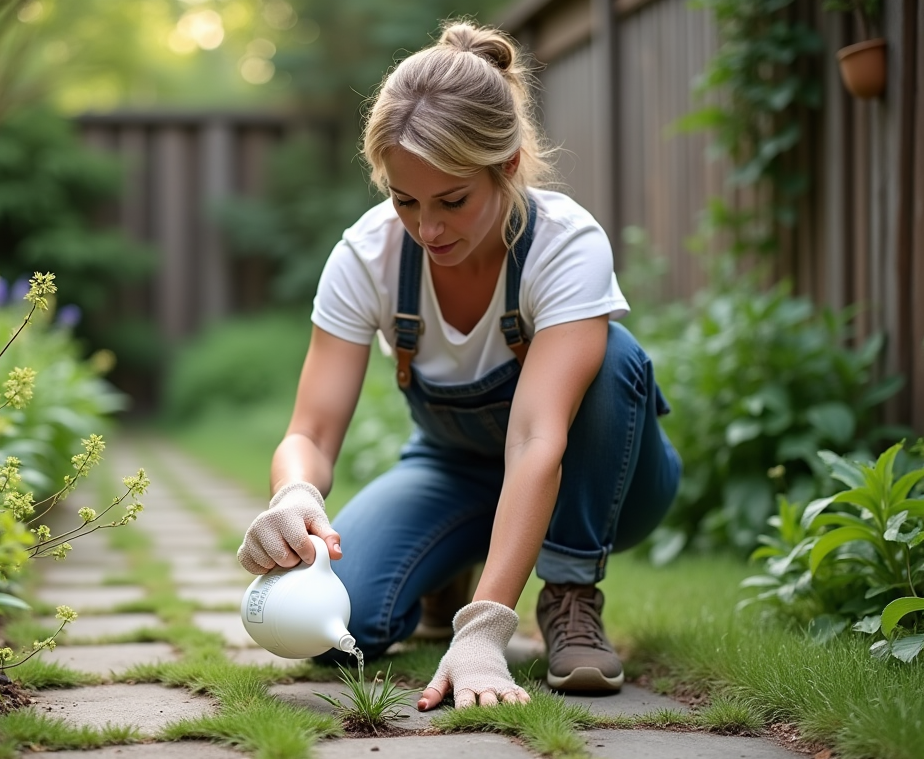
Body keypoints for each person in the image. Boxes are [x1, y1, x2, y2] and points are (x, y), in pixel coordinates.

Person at [237, 19, 681, 710]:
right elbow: (313, 432)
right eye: (404, 200)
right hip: (456, 468)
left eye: (452, 201)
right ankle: (449, 569)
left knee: (614, 356)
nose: (428, 228)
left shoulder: (565, 245)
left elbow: (537, 440)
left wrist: (485, 631)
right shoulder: (367, 256)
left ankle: (568, 592)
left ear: (505, 167)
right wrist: (294, 495)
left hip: (607, 482)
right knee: (332, 630)